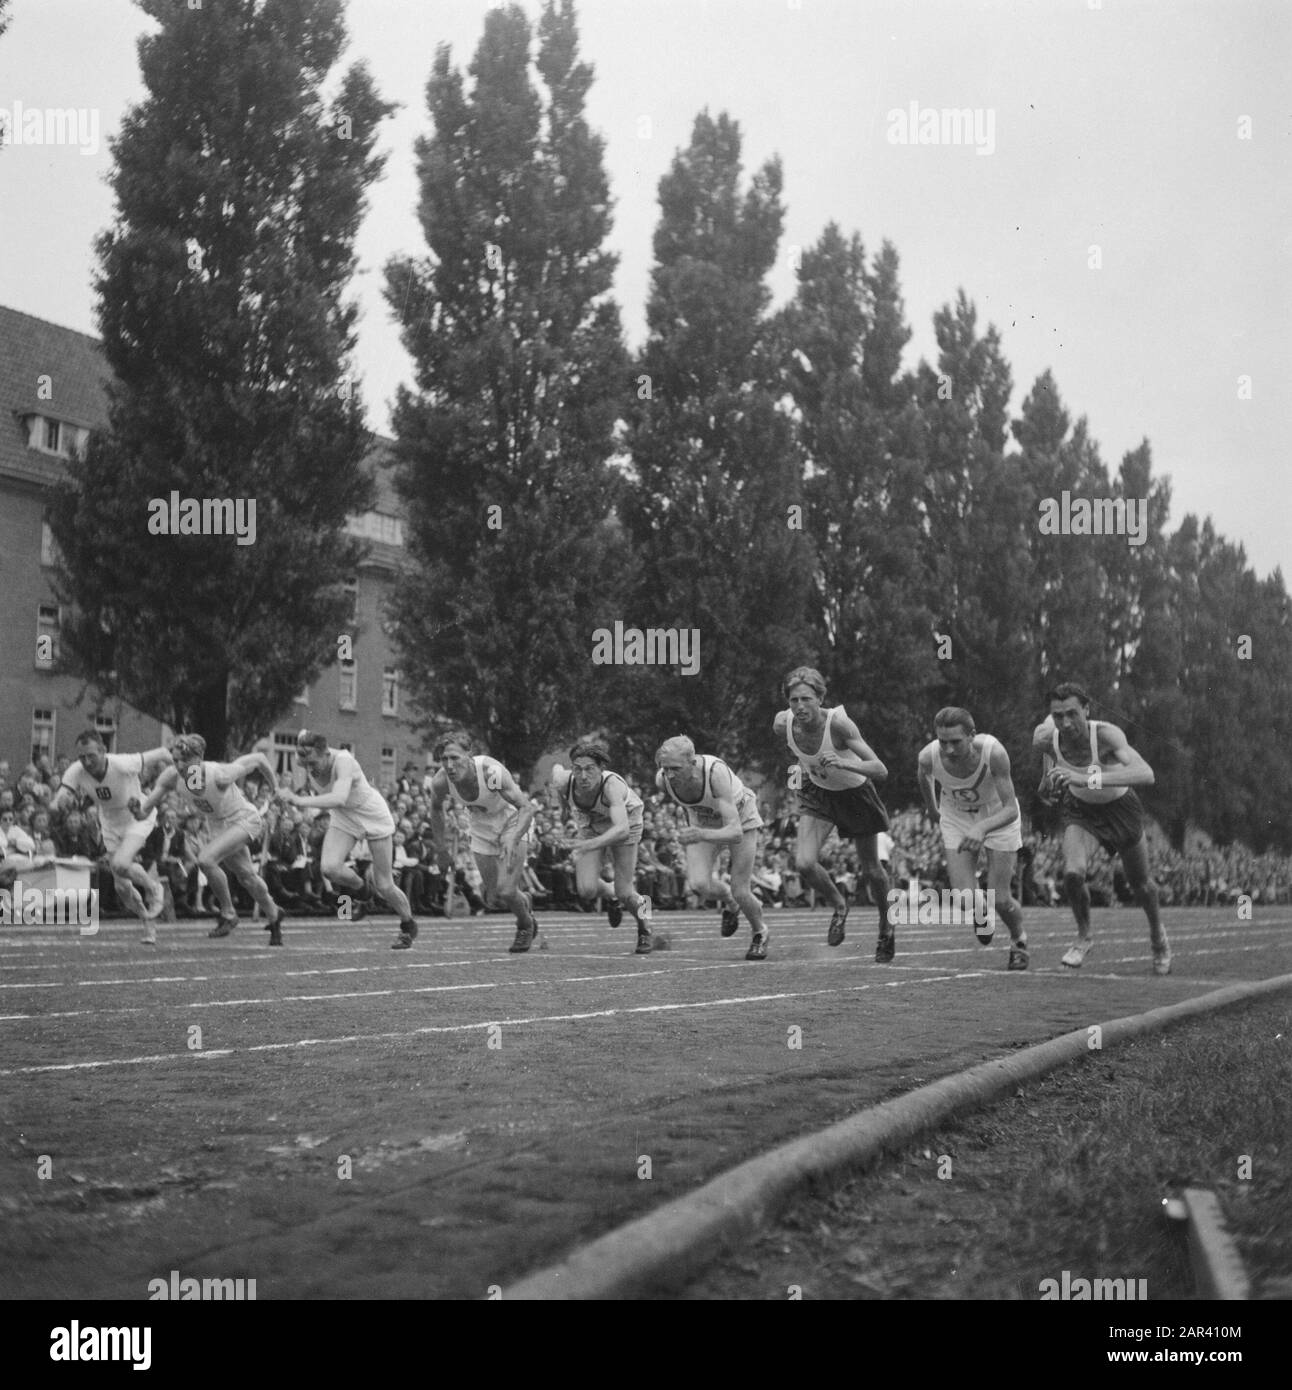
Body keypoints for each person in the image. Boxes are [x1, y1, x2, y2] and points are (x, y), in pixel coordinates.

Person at [1033, 682, 1171, 975]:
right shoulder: (1046, 736)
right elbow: (1049, 755)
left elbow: (1146, 774)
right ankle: (1083, 938)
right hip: (1080, 810)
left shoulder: (1106, 735)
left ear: (1087, 709)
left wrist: (1087, 780)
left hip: (1120, 807)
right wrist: (1047, 782)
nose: (1066, 723)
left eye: (1072, 714)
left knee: (1141, 885)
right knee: (1072, 873)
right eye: (1058, 716)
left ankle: (1158, 937)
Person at [774, 666, 895, 961]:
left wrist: (844, 763)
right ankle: (840, 906)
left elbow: (880, 769)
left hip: (855, 794)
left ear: (820, 699)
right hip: (819, 794)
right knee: (803, 863)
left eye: (806, 699)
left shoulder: (839, 725)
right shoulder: (782, 724)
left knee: (871, 870)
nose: (800, 707)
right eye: (794, 700)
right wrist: (809, 770)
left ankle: (886, 925)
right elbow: (799, 753)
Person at [131, 734, 286, 946]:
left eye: (185, 760)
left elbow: (259, 758)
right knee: (246, 876)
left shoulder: (220, 774)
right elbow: (143, 812)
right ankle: (274, 913)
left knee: (205, 860)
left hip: (244, 819)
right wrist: (135, 809)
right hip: (218, 826)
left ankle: (229, 913)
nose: (180, 765)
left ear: (199, 758)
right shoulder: (171, 777)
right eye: (175, 760)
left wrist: (276, 788)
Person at [278, 731, 419, 950]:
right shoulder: (304, 756)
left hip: (371, 814)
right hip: (344, 816)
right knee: (329, 868)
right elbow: (302, 743)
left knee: (384, 883)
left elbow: (339, 797)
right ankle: (363, 891)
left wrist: (298, 799)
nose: (310, 768)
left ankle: (407, 925)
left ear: (326, 754)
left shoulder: (344, 762)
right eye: (305, 763)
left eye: (314, 762)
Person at [917, 707, 1029, 970]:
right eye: (943, 741)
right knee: (964, 898)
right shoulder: (928, 756)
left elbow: (1011, 809)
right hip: (957, 817)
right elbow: (923, 776)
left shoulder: (994, 753)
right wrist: (932, 808)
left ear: (972, 736)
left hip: (998, 815)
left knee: (1000, 898)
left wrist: (982, 829)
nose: (949, 749)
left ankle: (1019, 940)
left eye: (956, 742)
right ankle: (982, 914)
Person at [654, 735, 770, 961]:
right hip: (704, 824)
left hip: (741, 821)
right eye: (665, 768)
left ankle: (760, 932)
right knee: (698, 884)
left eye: (675, 768)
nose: (670, 775)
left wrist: (699, 833)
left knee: (741, 889)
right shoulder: (663, 779)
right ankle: (730, 903)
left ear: (693, 762)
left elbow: (734, 831)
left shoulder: (715, 774)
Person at [51, 730, 170, 943]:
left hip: (137, 816)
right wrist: (59, 803)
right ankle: (147, 923)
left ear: (103, 751)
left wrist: (188, 774)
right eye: (82, 757)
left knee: (121, 863)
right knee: (122, 888)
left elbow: (162, 752)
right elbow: (60, 797)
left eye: (91, 756)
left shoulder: (123, 763)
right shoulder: (76, 771)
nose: (86, 762)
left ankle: (154, 887)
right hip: (109, 823)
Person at [427, 730, 538, 953]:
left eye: (455, 758)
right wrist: (440, 849)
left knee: (507, 890)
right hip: (480, 825)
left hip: (512, 819)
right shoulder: (440, 781)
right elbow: (436, 809)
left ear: (469, 755)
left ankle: (525, 924)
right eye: (444, 759)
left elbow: (526, 807)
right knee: (493, 896)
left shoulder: (490, 771)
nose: (449, 765)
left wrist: (514, 837)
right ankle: (523, 900)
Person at [551, 739, 653, 953]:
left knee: (626, 891)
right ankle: (613, 895)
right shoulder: (564, 781)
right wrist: (563, 808)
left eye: (589, 769)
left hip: (627, 824)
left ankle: (646, 925)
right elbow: (556, 772)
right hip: (591, 825)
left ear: (601, 769)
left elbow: (621, 829)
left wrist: (587, 844)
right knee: (586, 890)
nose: (583, 776)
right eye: (577, 770)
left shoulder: (611, 786)